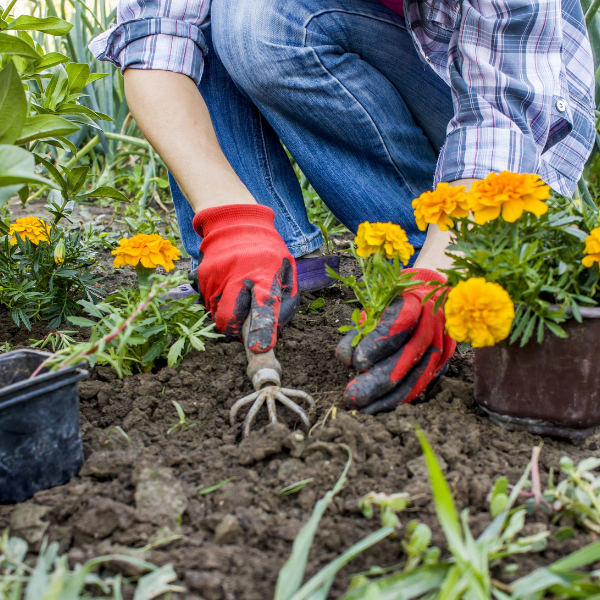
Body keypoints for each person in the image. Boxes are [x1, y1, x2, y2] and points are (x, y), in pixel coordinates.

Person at [90, 0, 595, 413]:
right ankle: (271, 260)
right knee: (218, 17)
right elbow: (157, 40)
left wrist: (441, 274)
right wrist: (230, 221)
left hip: (499, 117)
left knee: (262, 19)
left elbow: (502, 120)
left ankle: (429, 252)